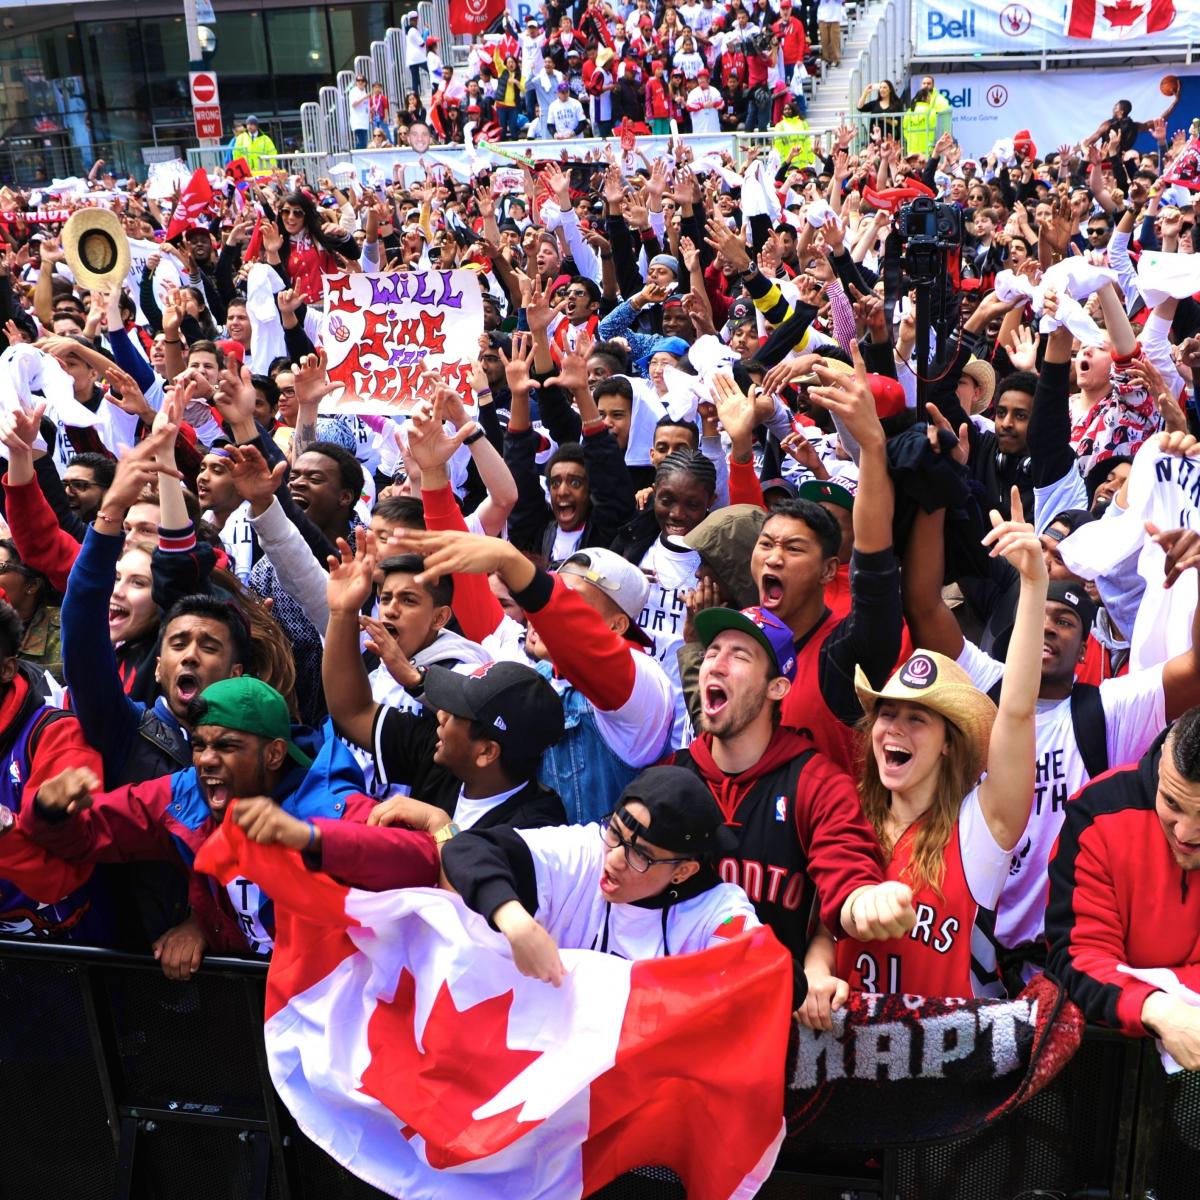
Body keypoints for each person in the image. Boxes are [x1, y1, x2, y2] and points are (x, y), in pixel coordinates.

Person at [800, 494, 1048, 1021]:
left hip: (940, 1088)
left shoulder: (978, 830)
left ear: (949, 743)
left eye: (918, 719)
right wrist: (817, 976)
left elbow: (1019, 713)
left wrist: (1033, 587)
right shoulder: (847, 816)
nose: (894, 728)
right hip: (843, 1069)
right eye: (886, 714)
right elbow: (824, 931)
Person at [21, 678, 434, 977]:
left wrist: (310, 839)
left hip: (335, 998)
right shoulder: (186, 794)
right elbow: (86, 837)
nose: (205, 760)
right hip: (251, 998)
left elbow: (421, 859)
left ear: (274, 754)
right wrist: (49, 810)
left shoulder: (330, 802)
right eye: (199, 745)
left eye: (226, 746)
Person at [666, 602, 915, 974]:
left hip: (773, 1012)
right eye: (712, 652)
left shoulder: (818, 783)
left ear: (777, 687)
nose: (716, 664)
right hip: (676, 1002)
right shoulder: (672, 776)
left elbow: (846, 864)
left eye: (740, 656)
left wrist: (861, 899)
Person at [442, 766, 761, 979]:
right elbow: (466, 848)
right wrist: (516, 923)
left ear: (683, 871)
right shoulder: (587, 849)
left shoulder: (714, 908)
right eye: (616, 834)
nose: (615, 860)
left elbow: (767, 969)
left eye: (641, 855)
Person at [1046, 707, 1200, 1069]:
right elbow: (1076, 958)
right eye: (1172, 804)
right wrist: (1159, 1009)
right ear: (1160, 765)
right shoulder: (1098, 811)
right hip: (1102, 1058)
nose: (1184, 833)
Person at [347, 74, 371, 150]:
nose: (360, 82)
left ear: (365, 83)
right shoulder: (354, 91)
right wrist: (364, 98)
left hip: (364, 121)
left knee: (364, 142)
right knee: (362, 142)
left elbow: (365, 107)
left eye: (362, 80)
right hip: (358, 121)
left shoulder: (364, 92)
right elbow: (354, 104)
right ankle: (356, 156)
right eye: (358, 80)